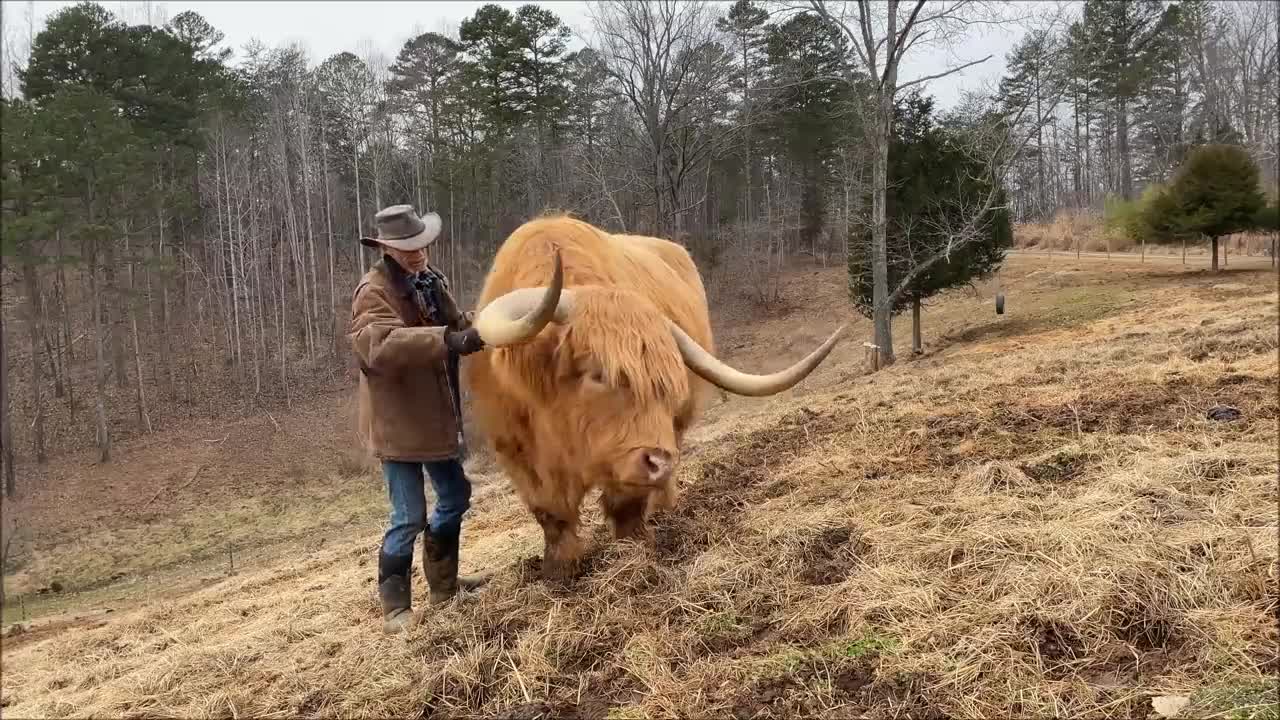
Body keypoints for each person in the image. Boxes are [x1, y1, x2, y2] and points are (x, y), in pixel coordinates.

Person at [348, 204, 490, 634]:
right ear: (387, 248)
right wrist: (449, 340)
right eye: (408, 249)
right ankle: (395, 609)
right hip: (397, 423)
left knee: (455, 495)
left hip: (435, 417)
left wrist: (488, 326)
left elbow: (456, 322)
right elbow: (380, 345)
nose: (417, 254)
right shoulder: (372, 291)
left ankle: (444, 586)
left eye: (421, 245)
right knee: (408, 515)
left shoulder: (430, 281)